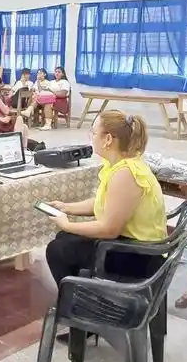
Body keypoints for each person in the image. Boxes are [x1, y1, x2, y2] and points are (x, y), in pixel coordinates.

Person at [44, 110, 167, 294]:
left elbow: (109, 230)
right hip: (135, 246)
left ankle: (76, 309)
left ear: (108, 139)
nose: (91, 137)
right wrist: (67, 207)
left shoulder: (125, 173)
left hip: (143, 256)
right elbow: (105, 202)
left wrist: (68, 224)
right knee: (63, 240)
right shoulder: (121, 165)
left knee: (58, 249)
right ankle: (81, 299)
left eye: (93, 133)